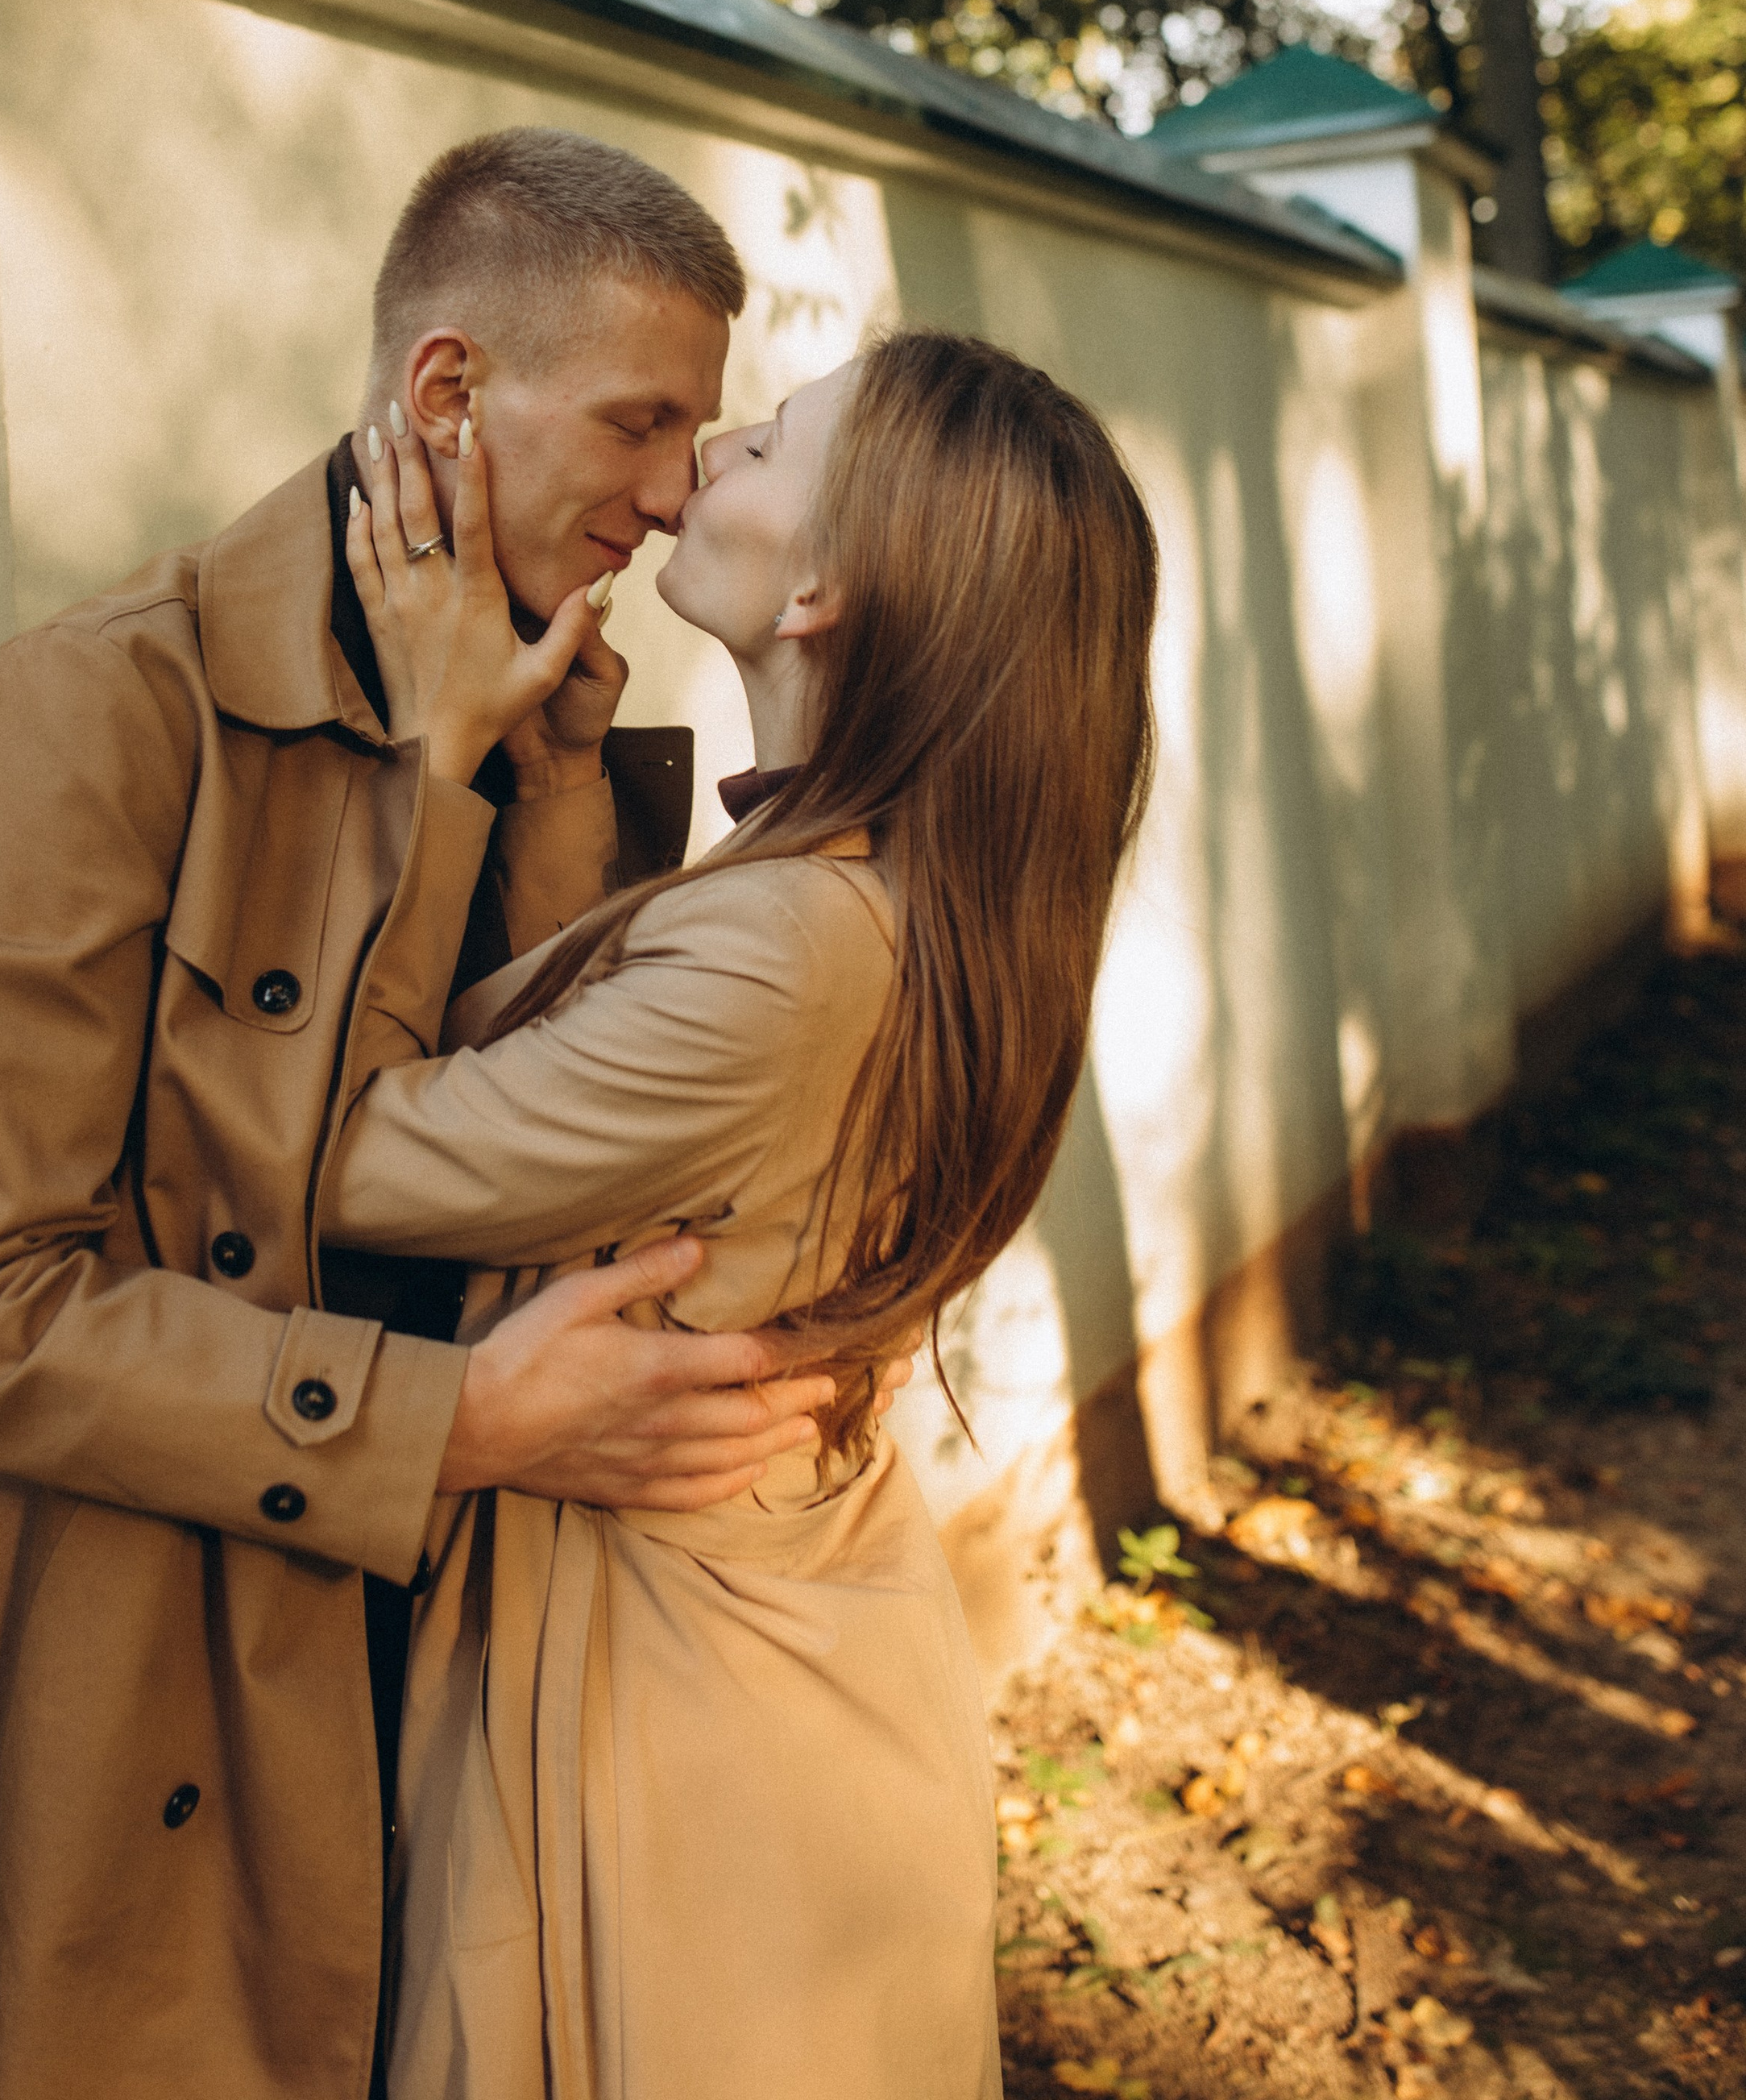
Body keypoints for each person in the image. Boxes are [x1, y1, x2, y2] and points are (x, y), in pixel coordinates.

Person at [0, 128, 851, 2100]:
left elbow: (524, 1154)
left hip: (481, 1695)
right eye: (638, 423)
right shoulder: (99, 718)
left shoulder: (571, 714)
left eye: (695, 436)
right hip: (161, 1732)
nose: (666, 494)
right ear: (447, 390)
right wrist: (452, 1422)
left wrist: (537, 786)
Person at [325, 324, 1160, 2100]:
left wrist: (425, 750)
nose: (700, 460)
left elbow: (360, 1159)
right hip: (788, 1662)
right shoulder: (891, 889)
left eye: (766, 444)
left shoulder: (792, 950)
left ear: (828, 591)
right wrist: (553, 780)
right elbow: (625, 1094)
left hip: (679, 1741)